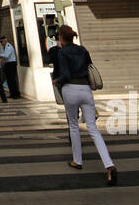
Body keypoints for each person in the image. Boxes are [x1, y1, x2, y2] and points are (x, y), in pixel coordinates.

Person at [47, 24, 116, 185]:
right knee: (93, 128)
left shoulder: (62, 51)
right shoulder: (83, 50)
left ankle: (77, 161)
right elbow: (89, 66)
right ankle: (109, 165)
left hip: (70, 89)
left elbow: (65, 73)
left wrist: (57, 81)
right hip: (85, 88)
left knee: (73, 125)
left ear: (61, 38)